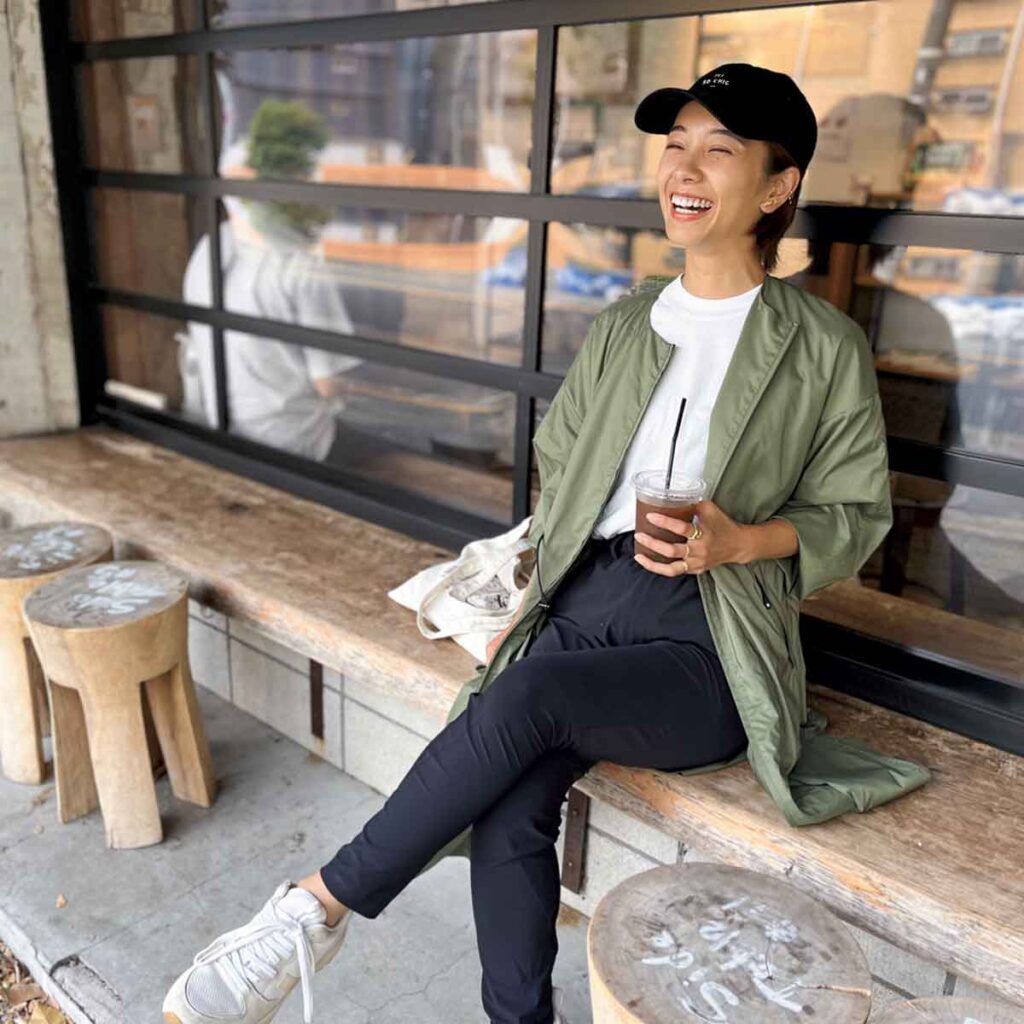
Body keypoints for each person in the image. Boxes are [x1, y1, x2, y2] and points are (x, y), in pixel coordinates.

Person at [164, 63, 924, 1024]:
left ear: (777, 187)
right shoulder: (626, 324)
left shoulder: (821, 346)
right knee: (512, 804)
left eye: (719, 150)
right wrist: (532, 590)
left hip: (711, 635)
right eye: (676, 146)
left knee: (524, 700)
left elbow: (855, 514)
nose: (683, 170)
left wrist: (741, 541)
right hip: (587, 593)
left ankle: (314, 911)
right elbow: (562, 464)